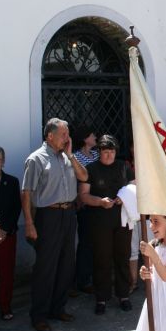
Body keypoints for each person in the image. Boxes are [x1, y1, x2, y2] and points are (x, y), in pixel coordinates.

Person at [22, 118, 88, 331]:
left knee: (66, 263)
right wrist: (29, 224)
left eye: (67, 134)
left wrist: (70, 154)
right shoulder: (36, 159)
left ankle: (57, 308)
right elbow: (26, 193)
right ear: (50, 136)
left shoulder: (67, 157)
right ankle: (39, 315)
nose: (67, 138)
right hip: (47, 216)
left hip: (68, 214)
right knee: (46, 266)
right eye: (63, 135)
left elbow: (84, 176)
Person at [79, 135, 134, 314]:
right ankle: (101, 298)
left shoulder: (123, 167)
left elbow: (134, 186)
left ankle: (123, 295)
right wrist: (100, 201)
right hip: (99, 220)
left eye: (111, 152)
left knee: (122, 257)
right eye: (105, 152)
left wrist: (122, 198)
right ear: (99, 152)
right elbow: (84, 195)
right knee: (101, 259)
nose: (109, 156)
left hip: (122, 219)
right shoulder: (92, 168)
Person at [73, 125, 99, 294]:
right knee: (86, 243)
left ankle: (95, 277)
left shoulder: (97, 154)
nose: (95, 136)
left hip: (98, 203)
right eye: (92, 134)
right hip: (85, 205)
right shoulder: (76, 157)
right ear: (84, 138)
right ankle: (83, 279)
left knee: (97, 243)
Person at [0, 147, 21, 320]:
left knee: (7, 273)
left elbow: (15, 208)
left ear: (4, 161)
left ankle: (5, 306)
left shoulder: (12, 182)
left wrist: (4, 230)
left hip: (6, 236)